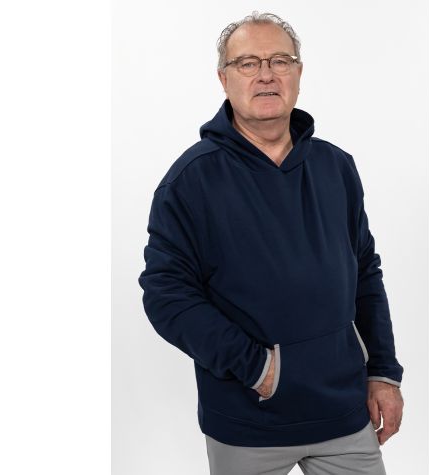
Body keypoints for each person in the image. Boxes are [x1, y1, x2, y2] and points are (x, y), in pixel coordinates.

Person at [138, 11, 404, 475]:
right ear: (223, 79)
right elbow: (166, 295)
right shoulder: (190, 181)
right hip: (248, 423)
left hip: (344, 412)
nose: (266, 74)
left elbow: (365, 271)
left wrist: (382, 371)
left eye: (280, 60)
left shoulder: (336, 167)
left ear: (298, 73)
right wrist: (261, 370)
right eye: (248, 63)